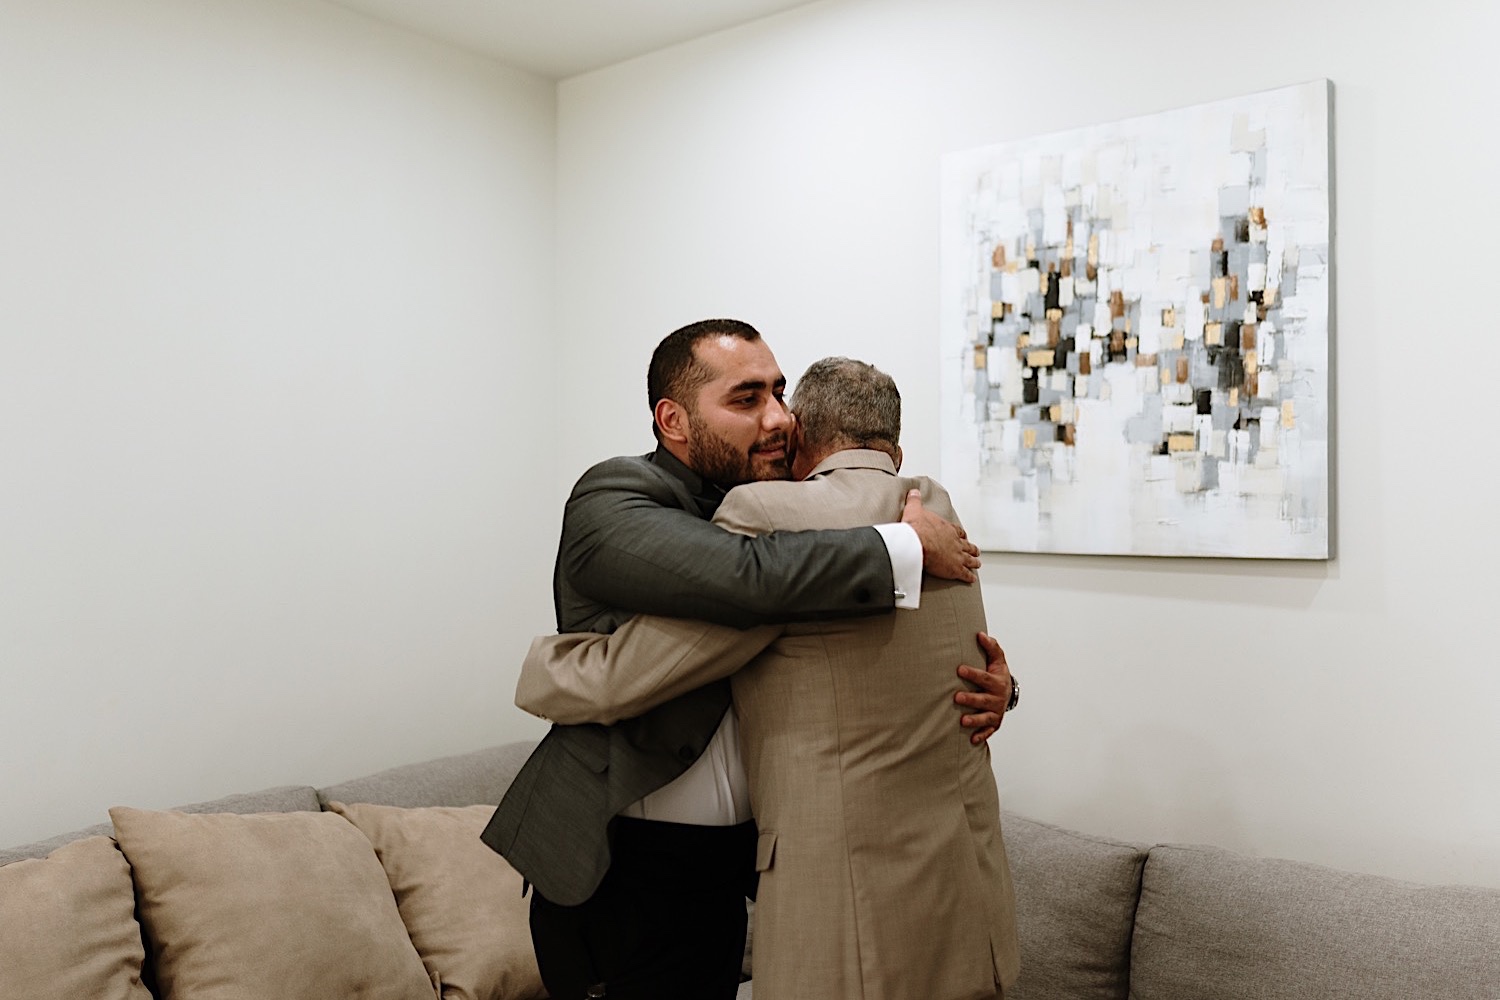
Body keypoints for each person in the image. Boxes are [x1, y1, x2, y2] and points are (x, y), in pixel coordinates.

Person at [481, 320, 1014, 1000]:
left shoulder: (779, 508)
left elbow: (850, 649)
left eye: (779, 393)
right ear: (672, 420)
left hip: (725, 868)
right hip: (620, 864)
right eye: (746, 400)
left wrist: (994, 686)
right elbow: (746, 577)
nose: (778, 419)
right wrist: (899, 548)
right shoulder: (614, 496)